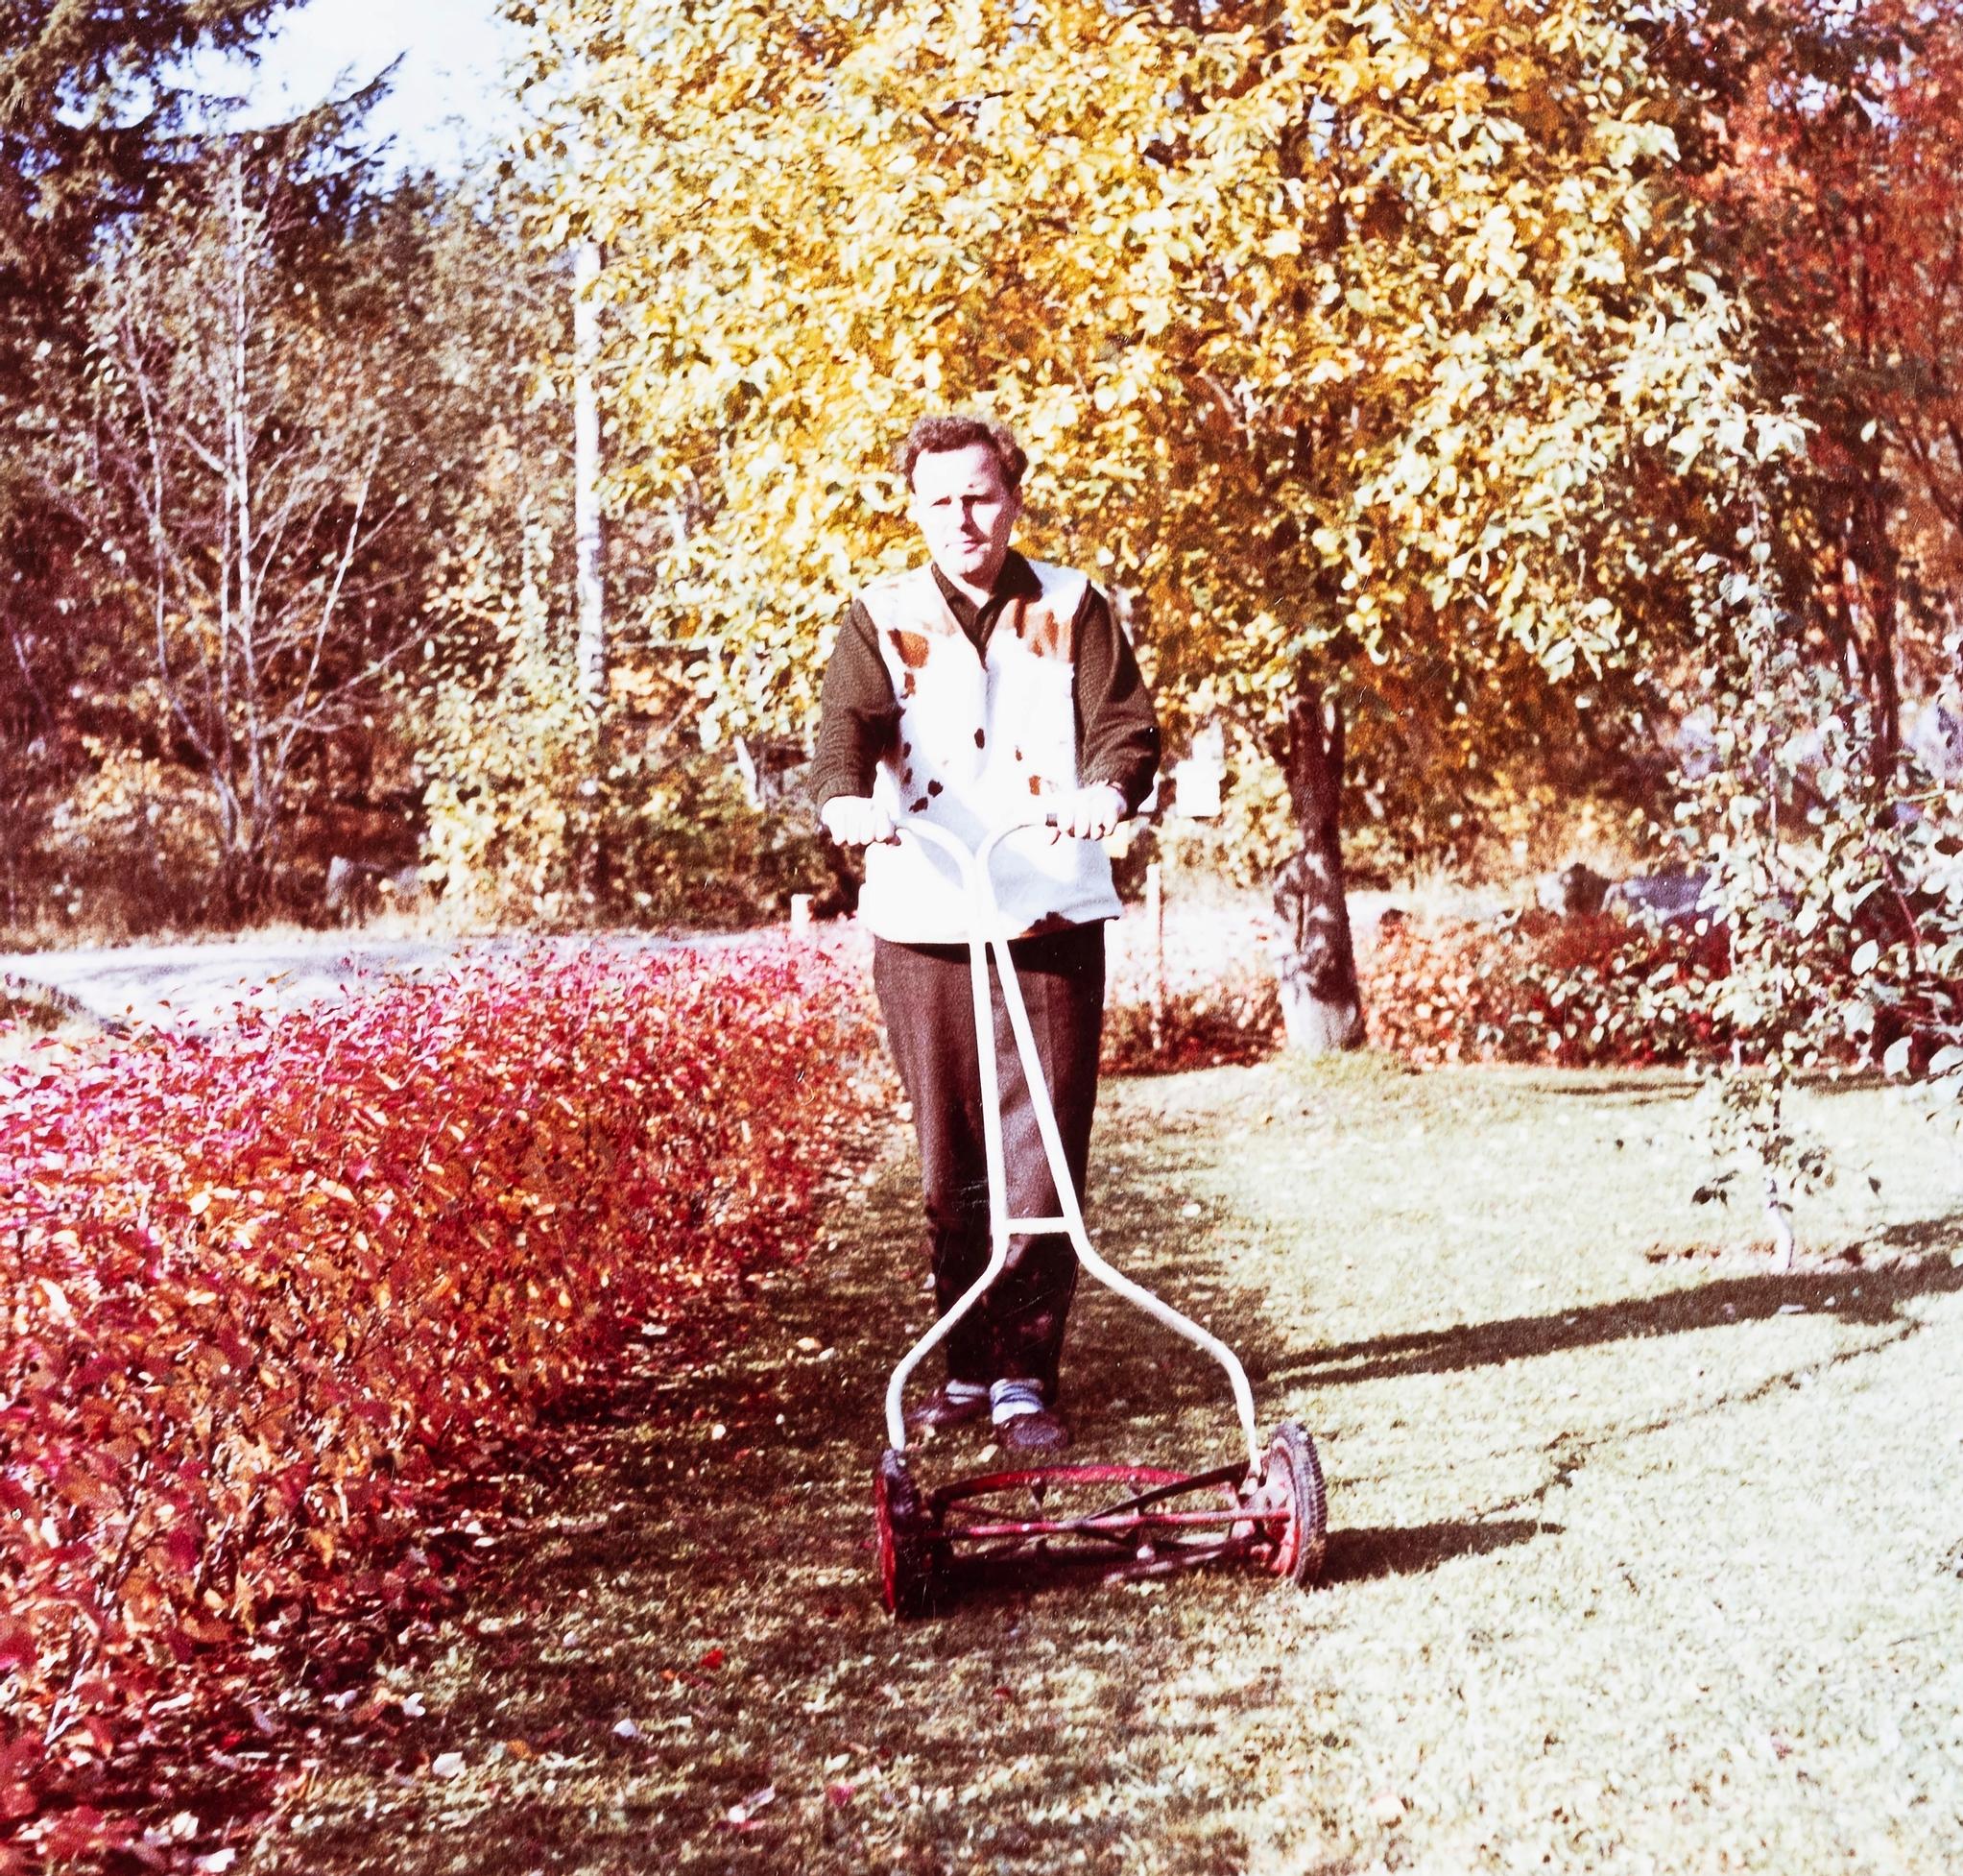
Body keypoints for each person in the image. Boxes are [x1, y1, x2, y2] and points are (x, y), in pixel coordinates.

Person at [809, 414, 1161, 1455]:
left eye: (980, 495)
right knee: (951, 1157)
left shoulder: (1072, 602)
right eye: (941, 501)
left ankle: (1025, 1375)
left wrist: (1107, 790)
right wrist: (845, 801)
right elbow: (844, 729)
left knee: (1038, 1154)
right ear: (914, 508)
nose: (962, 519)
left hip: (1049, 902)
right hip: (924, 909)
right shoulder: (880, 613)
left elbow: (1123, 724)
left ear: (1012, 498)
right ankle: (966, 1366)